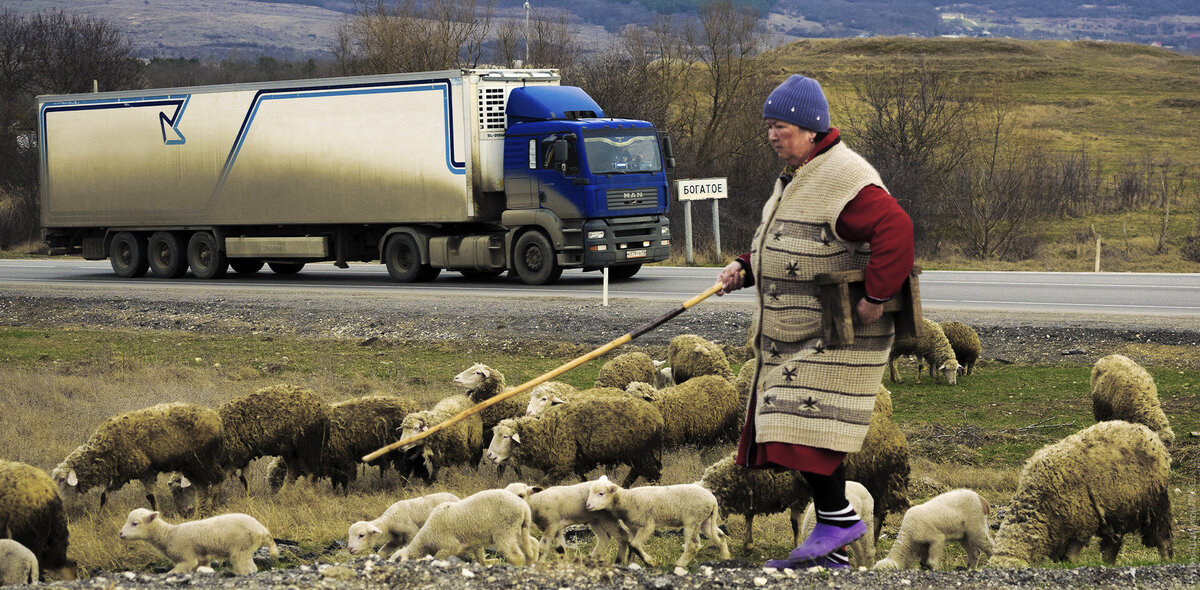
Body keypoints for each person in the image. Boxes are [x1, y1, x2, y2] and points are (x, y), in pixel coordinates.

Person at [716, 74, 914, 569]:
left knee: (792, 417)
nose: (771, 135)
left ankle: (837, 521)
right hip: (800, 336)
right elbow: (787, 243)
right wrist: (746, 265)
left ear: (809, 128)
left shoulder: (843, 176)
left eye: (780, 125)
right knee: (797, 426)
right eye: (768, 126)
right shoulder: (799, 175)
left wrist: (876, 291)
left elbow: (897, 228)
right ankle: (833, 541)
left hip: (841, 332)